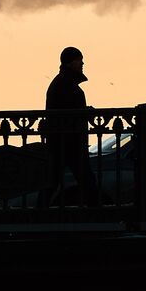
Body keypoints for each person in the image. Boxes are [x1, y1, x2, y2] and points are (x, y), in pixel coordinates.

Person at [44, 46, 101, 208]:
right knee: (87, 181)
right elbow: (69, 113)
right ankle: (97, 214)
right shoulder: (66, 85)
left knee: (53, 182)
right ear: (70, 62)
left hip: (63, 142)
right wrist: (85, 113)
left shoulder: (61, 82)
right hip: (70, 142)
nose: (82, 63)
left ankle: (37, 214)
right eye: (79, 60)